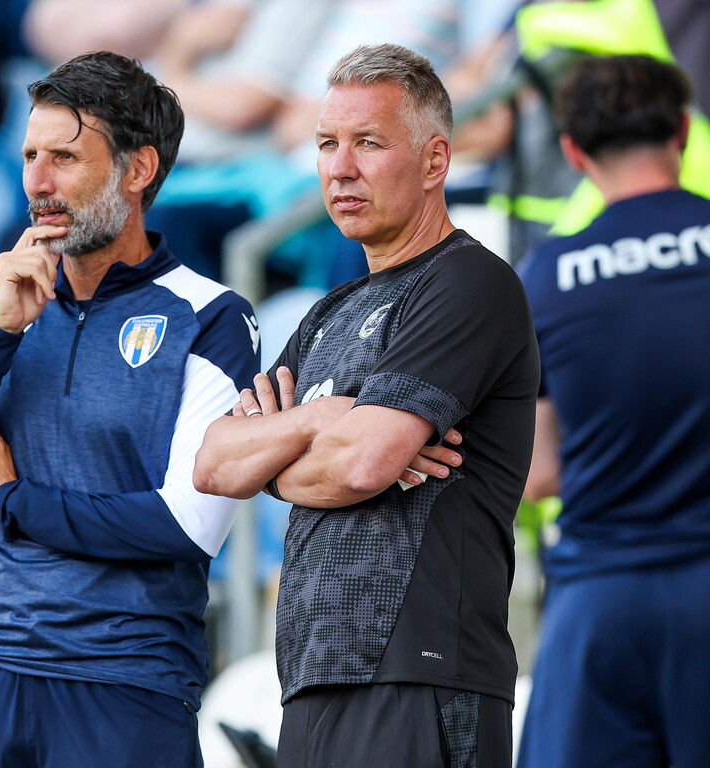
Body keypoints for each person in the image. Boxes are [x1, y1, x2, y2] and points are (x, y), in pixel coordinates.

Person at [0, 51, 261, 768]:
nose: (37, 182)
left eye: (64, 157)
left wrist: (9, 497)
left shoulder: (212, 318)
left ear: (137, 169)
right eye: (28, 155)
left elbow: (183, 524)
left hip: (125, 676)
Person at [194, 43, 540, 767]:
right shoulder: (325, 315)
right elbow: (214, 464)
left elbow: (360, 465)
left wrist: (282, 450)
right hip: (315, 677)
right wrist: (321, 419)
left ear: (435, 162)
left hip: (422, 674)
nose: (339, 167)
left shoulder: (468, 282)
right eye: (326, 144)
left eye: (368, 143)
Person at [516, 55, 710, 768]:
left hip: (601, 605)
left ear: (573, 151)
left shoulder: (545, 276)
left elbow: (539, 475)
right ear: (682, 132)